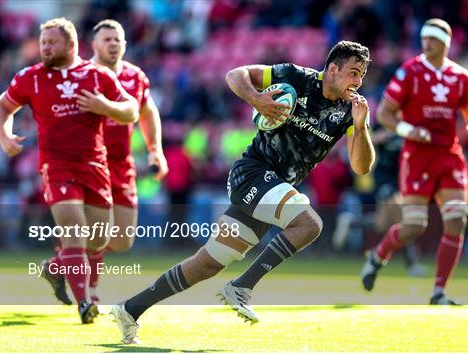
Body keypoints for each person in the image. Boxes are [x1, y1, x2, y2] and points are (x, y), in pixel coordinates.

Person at [111, 40, 374, 344]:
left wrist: (361, 125)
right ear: (332, 69)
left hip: (276, 188)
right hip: (251, 174)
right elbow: (235, 75)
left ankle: (129, 309)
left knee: (207, 262)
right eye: (353, 73)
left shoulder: (348, 112)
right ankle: (242, 286)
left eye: (362, 76)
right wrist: (257, 100)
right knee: (310, 224)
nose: (358, 82)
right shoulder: (295, 76)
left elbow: (362, 167)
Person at [0, 17, 139, 323]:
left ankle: (56, 268)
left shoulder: (97, 76)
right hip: (56, 165)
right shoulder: (30, 77)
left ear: (71, 45)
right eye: (42, 43)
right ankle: (85, 302)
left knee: (98, 239)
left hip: (95, 165)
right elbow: (2, 108)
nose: (45, 48)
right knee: (73, 228)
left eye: (51, 42)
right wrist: (4, 136)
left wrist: (106, 107)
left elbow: (131, 110)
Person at [41, 19, 168, 304]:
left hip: (121, 164)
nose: (113, 44)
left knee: (122, 240)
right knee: (95, 231)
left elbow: (147, 112)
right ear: (93, 45)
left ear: (125, 44)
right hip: (86, 162)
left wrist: (155, 149)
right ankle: (90, 290)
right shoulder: (81, 75)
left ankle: (57, 265)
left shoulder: (135, 77)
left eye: (118, 39)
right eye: (106, 39)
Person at [360, 18, 468, 305]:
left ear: (446, 42)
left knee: (457, 219)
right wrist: (408, 130)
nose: (426, 43)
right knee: (414, 226)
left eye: (433, 39)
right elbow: (384, 115)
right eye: (424, 38)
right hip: (417, 156)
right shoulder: (409, 72)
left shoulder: (461, 77)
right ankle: (378, 256)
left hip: (449, 155)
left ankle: (439, 292)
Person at [371, 125, 427, 277]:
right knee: (404, 220)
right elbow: (371, 138)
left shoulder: (408, 123)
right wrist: (386, 135)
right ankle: (412, 265)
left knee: (383, 223)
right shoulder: (383, 120)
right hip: (385, 179)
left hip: (401, 179)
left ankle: (352, 222)